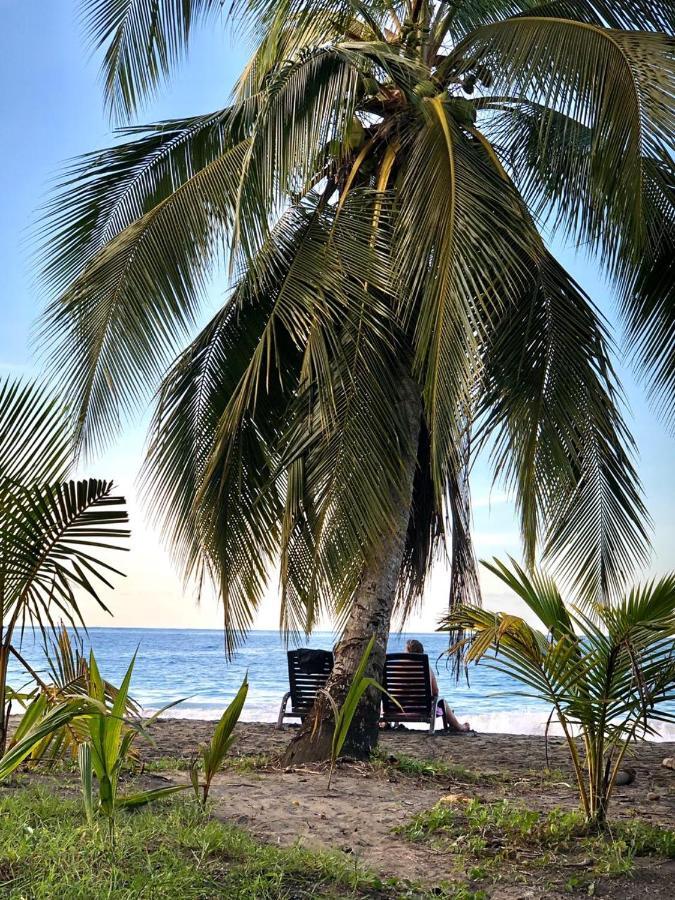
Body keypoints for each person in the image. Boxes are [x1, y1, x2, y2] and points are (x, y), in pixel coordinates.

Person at [405, 639, 471, 732]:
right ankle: (459, 727)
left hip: (397, 709)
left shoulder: (395, 668)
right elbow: (436, 691)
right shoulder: (426, 668)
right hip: (423, 709)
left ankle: (383, 723)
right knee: (442, 702)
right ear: (422, 653)